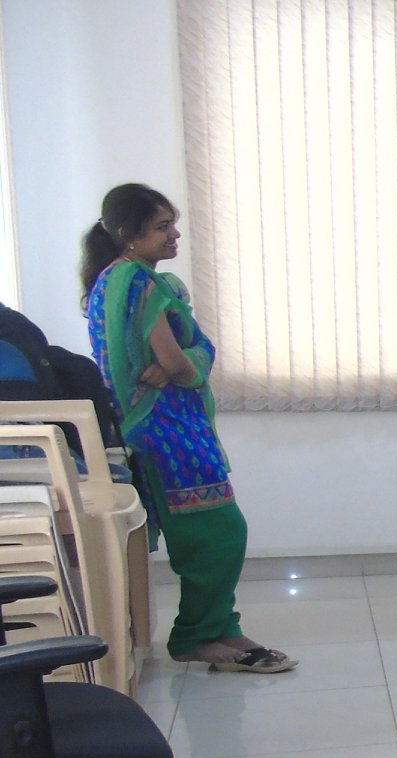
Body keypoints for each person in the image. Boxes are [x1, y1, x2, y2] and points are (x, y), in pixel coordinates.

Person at [80, 183, 295, 673]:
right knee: (216, 533)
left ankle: (222, 625)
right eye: (162, 227)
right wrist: (186, 364)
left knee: (212, 530)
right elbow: (182, 361)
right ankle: (197, 636)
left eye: (172, 223)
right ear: (126, 235)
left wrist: (182, 361)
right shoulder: (138, 283)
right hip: (164, 428)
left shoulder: (115, 282)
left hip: (166, 423)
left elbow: (183, 355)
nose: (175, 234)